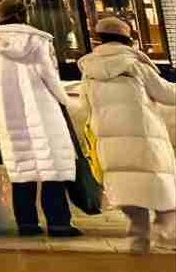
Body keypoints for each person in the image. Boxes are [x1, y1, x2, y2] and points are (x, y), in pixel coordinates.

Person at [0, 0, 84, 238]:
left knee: (20, 165)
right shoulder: (38, 39)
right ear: (24, 13)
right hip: (42, 106)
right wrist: (64, 99)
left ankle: (27, 224)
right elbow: (49, 74)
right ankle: (58, 223)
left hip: (10, 108)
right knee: (50, 164)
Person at [75, 15, 176, 253]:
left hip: (109, 141)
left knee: (129, 189)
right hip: (143, 138)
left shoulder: (89, 69)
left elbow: (84, 104)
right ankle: (166, 233)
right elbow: (166, 94)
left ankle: (139, 241)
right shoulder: (134, 65)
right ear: (127, 39)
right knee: (163, 187)